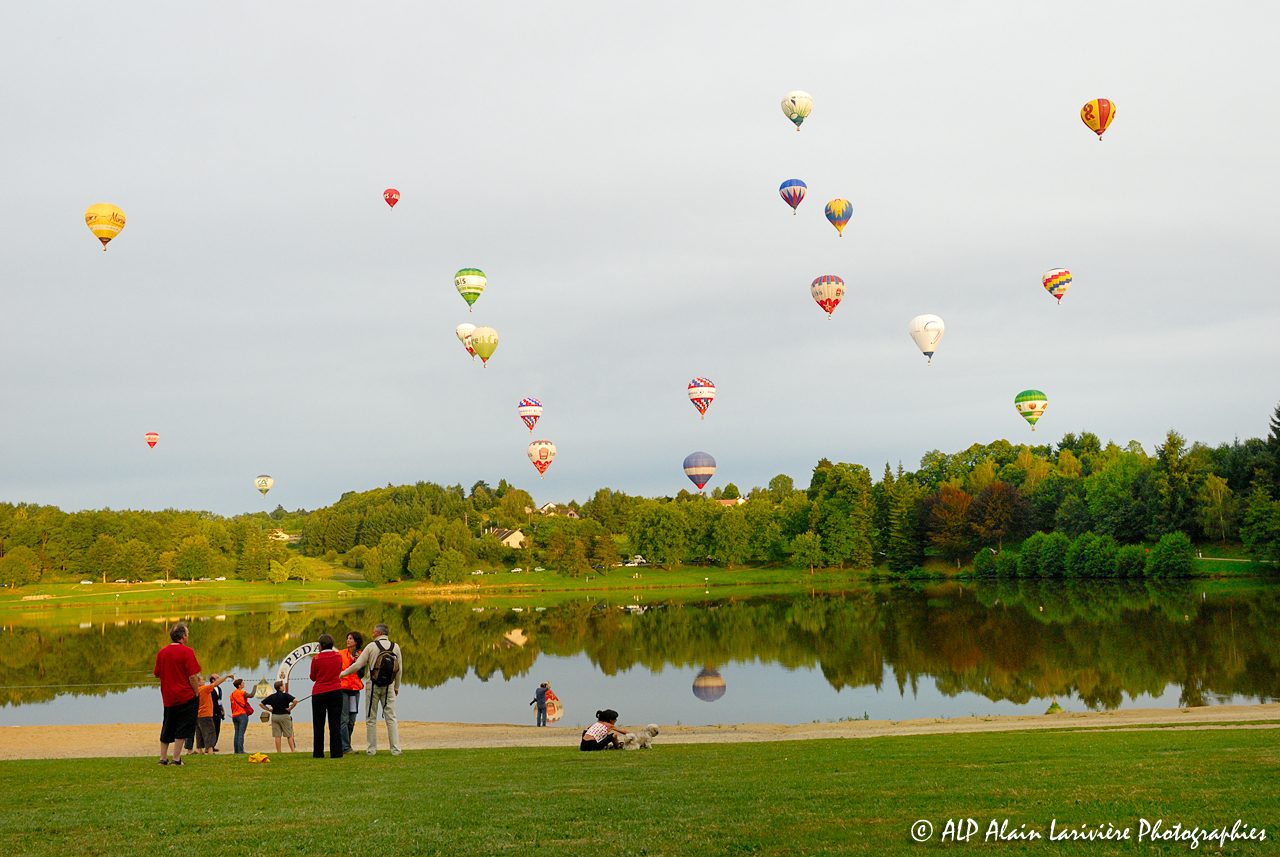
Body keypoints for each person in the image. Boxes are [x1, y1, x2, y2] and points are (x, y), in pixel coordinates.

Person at [339, 622, 402, 755]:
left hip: (373, 686)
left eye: (374, 631)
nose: (372, 633)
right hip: (389, 686)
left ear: (379, 633)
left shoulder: (371, 646)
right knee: (391, 717)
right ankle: (395, 749)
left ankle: (372, 749)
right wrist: (396, 687)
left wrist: (342, 674)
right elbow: (399, 669)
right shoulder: (395, 647)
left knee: (371, 718)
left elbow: (357, 665)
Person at [154, 622, 202, 766]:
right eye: (187, 633)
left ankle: (163, 758)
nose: (188, 636)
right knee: (183, 726)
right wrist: (196, 692)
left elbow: (157, 674)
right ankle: (176, 758)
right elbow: (193, 676)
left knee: (167, 725)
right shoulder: (187, 652)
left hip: (168, 696)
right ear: (182, 636)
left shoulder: (162, 652)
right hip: (185, 695)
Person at [309, 633, 344, 758]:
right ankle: (337, 752)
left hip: (319, 693)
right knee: (335, 723)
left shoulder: (317, 659)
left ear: (321, 646)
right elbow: (339, 670)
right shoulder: (338, 657)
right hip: (336, 691)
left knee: (318, 724)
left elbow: (313, 677)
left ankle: (318, 752)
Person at [338, 630, 365, 754]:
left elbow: (361, 674)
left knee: (352, 719)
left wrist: (357, 662)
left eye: (351, 639)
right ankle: (345, 747)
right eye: (347, 638)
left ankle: (346, 743)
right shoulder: (340, 654)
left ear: (356, 642)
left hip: (354, 691)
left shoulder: (361, 654)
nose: (348, 640)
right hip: (343, 689)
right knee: (343, 718)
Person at [195, 673, 231, 754]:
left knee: (199, 732)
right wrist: (226, 676)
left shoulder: (195, 690)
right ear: (198, 682)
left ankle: (199, 749)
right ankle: (210, 750)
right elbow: (216, 684)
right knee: (210, 731)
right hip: (206, 713)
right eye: (202, 680)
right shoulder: (203, 688)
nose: (204, 681)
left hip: (198, 714)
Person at [261, 680, 298, 753]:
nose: (284, 687)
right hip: (285, 716)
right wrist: (290, 708)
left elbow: (261, 704)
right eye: (283, 685)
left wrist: (269, 710)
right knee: (289, 735)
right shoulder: (286, 695)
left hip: (275, 716)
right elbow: (295, 701)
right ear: (280, 687)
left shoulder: (272, 696)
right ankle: (293, 751)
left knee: (277, 736)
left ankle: (279, 752)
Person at [229, 678, 253, 754]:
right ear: (239, 685)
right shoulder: (242, 692)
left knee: (237, 733)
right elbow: (251, 695)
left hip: (234, 715)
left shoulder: (232, 694)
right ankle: (240, 750)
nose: (244, 684)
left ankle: (236, 750)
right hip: (242, 714)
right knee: (241, 733)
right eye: (242, 683)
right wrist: (255, 687)